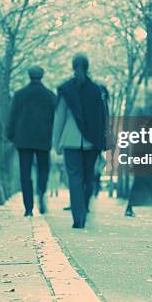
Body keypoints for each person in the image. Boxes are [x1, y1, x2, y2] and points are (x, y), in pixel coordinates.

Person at [53, 54, 108, 229]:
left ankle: (78, 217)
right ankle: (84, 209)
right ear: (88, 66)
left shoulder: (65, 89)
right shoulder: (97, 90)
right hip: (92, 142)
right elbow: (104, 117)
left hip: (70, 140)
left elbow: (59, 118)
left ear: (72, 66)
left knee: (75, 179)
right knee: (88, 178)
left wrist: (56, 143)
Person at [6, 66, 56, 216]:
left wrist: (10, 136)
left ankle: (28, 208)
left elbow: (12, 116)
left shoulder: (20, 94)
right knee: (43, 169)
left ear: (29, 75)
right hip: (43, 138)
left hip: (24, 139)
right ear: (42, 75)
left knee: (25, 174)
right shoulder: (50, 96)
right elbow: (56, 118)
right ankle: (41, 191)